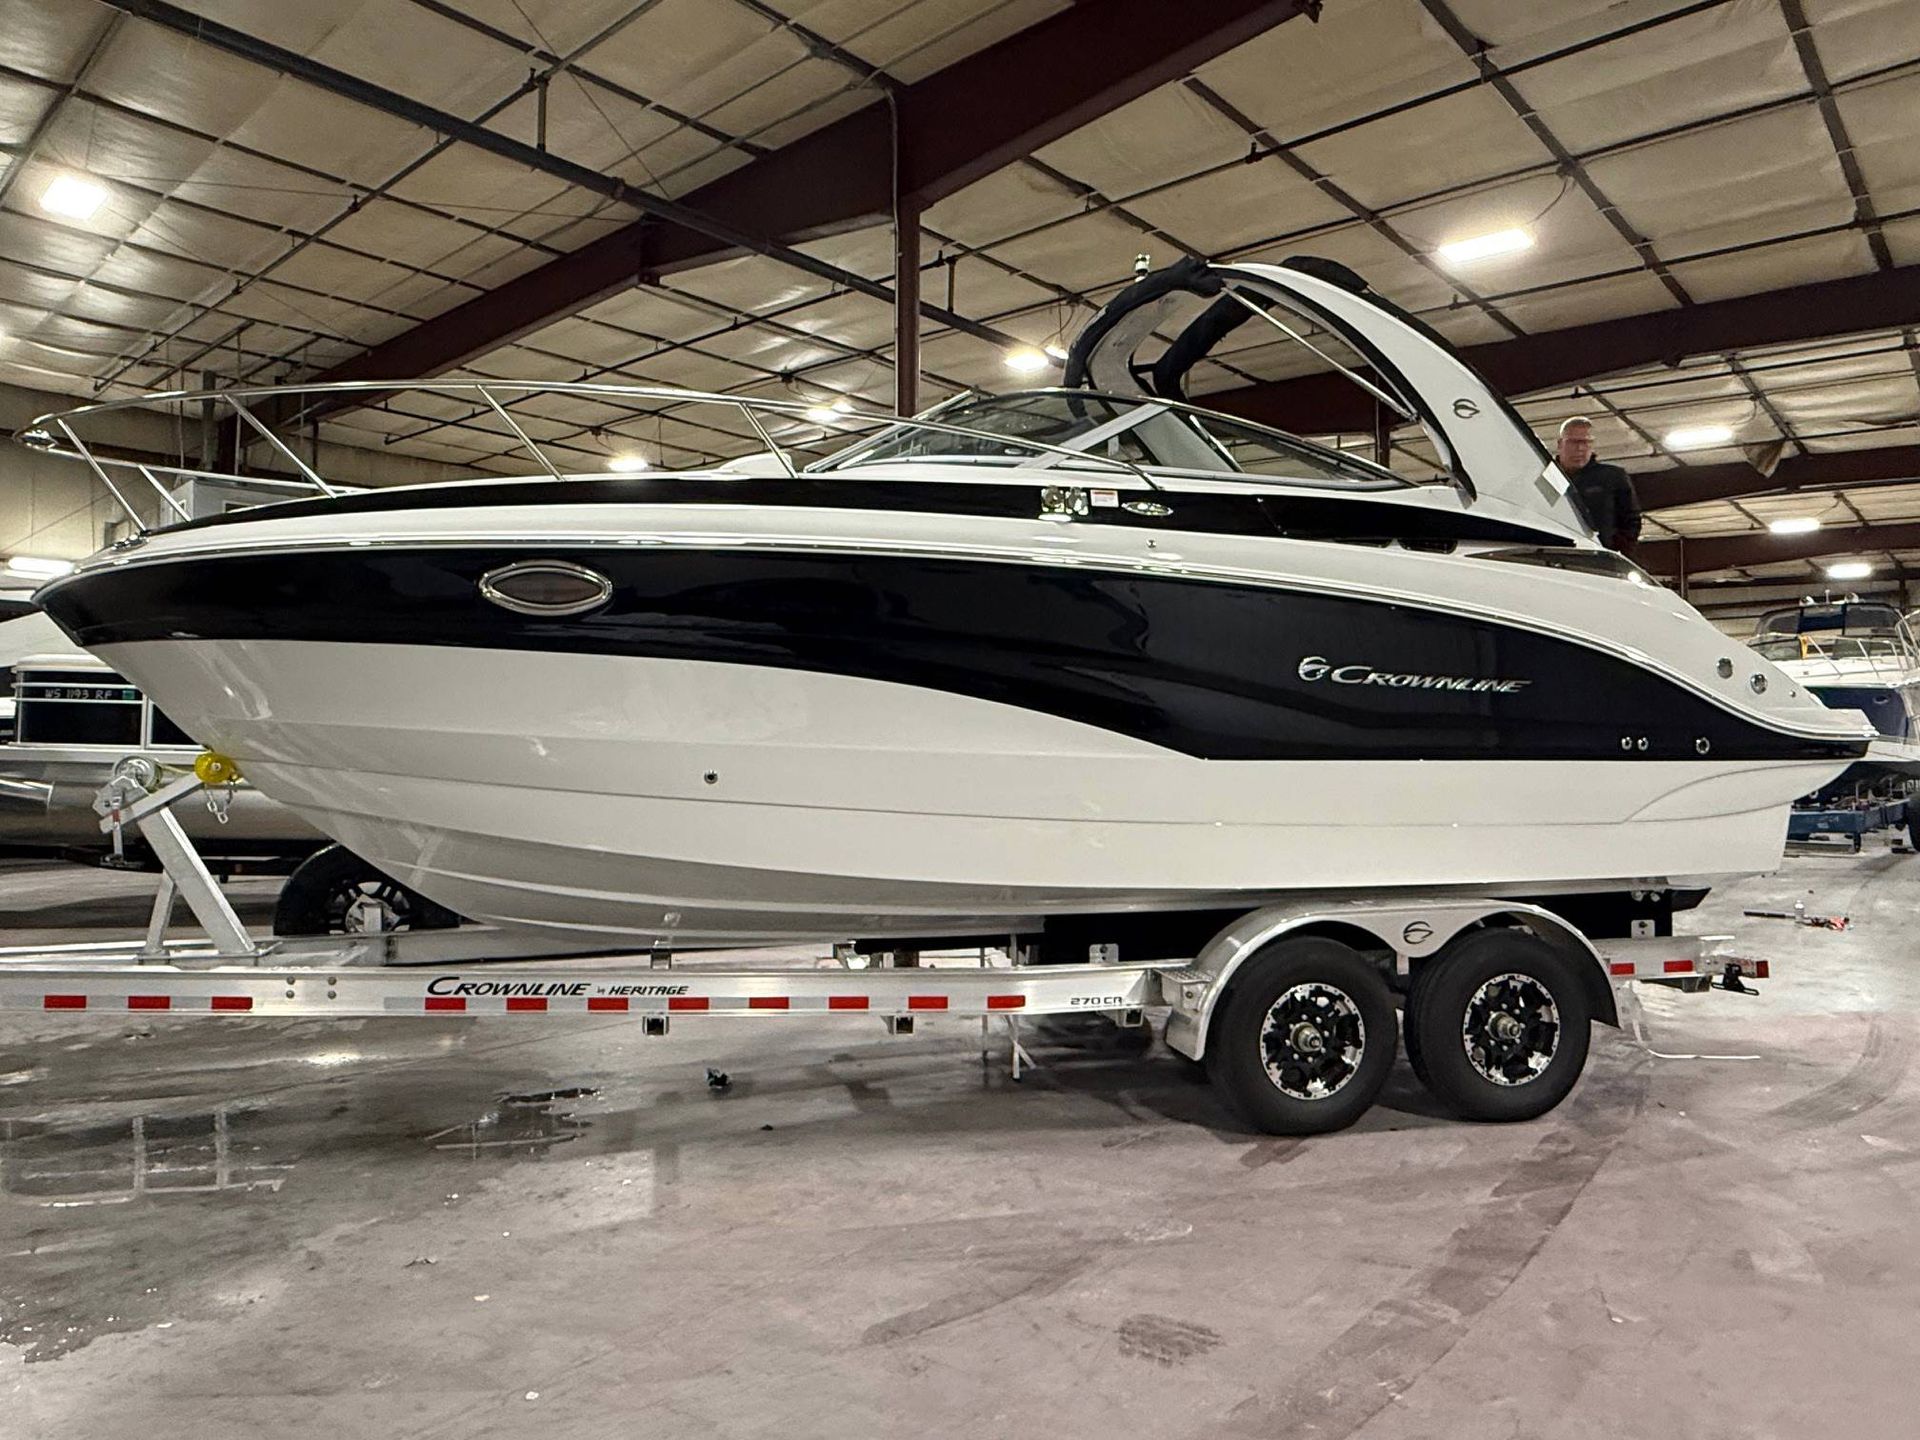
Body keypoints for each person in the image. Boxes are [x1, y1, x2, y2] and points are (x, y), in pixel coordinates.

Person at [1553, 416, 1641, 555]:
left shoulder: (1613, 477)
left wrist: (1616, 554)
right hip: (1553, 556)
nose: (1580, 448)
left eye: (1586, 442)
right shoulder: (1545, 477)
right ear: (1560, 444)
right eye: (1573, 442)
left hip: (1600, 559)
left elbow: (1631, 521)